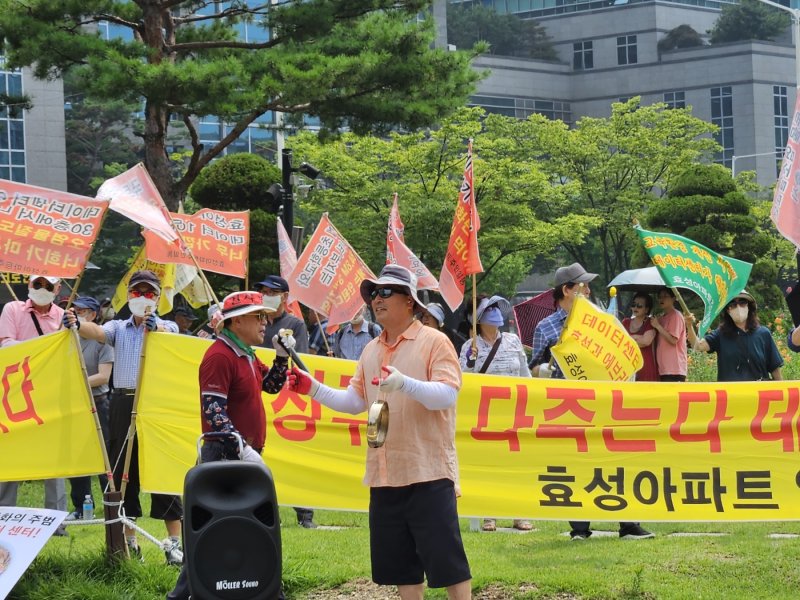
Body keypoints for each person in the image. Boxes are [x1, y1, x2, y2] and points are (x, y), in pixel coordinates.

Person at [288, 265, 472, 600]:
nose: (377, 299)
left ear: (410, 301)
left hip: (427, 471)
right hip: (385, 473)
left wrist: (404, 383)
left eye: (386, 292)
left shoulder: (434, 341)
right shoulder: (370, 349)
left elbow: (447, 394)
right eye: (374, 293)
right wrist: (312, 388)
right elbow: (355, 401)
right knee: (402, 567)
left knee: (448, 564)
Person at [166, 291, 291, 600]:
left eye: (265, 317)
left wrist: (281, 357)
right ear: (236, 321)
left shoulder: (246, 353)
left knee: (243, 528)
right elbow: (213, 410)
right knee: (213, 530)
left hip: (241, 456)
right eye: (258, 317)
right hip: (224, 457)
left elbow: (271, 386)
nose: (266, 323)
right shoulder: (220, 355)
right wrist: (241, 447)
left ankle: (262, 588)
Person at [63, 270, 184, 562]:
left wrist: (157, 330)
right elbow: (99, 333)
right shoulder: (119, 326)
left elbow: (174, 338)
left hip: (154, 405)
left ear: (157, 298)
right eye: (137, 292)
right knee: (122, 471)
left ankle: (174, 544)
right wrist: (78, 323)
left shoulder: (167, 326)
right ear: (129, 296)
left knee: (160, 470)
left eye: (149, 293)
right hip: (122, 402)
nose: (142, 298)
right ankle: (131, 542)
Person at [529, 263, 654, 541]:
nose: (587, 290)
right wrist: (544, 371)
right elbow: (533, 369)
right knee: (574, 465)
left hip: (602, 402)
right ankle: (580, 527)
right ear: (567, 290)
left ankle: (629, 523)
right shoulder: (545, 327)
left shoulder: (597, 321)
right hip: (568, 407)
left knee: (614, 460)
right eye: (582, 285)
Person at [0, 275, 69, 535]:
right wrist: (45, 349)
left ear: (58, 289)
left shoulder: (64, 315)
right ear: (29, 286)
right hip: (15, 393)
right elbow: (7, 346)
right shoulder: (12, 309)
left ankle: (57, 521)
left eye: (48, 286)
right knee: (11, 453)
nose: (42, 289)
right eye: (37, 284)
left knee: (55, 459)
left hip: (51, 394)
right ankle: (3, 516)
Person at [460, 295, 531, 532]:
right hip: (485, 416)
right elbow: (462, 380)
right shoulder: (469, 346)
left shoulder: (512, 341)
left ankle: (518, 513)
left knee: (515, 465)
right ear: (477, 319)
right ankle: (489, 514)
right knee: (489, 464)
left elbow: (525, 377)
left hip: (513, 413)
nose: (495, 313)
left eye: (495, 308)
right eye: (488, 309)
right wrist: (469, 363)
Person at [255, 274, 315, 528]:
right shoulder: (256, 320)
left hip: (287, 399)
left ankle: (305, 514)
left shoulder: (295, 324)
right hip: (261, 392)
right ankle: (267, 511)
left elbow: (297, 358)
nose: (267, 295)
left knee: (293, 454)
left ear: (284, 297)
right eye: (263, 291)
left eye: (272, 292)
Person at [65, 296, 114, 521]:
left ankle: (111, 505)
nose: (77, 314)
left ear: (93, 315)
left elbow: (104, 376)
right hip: (74, 403)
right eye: (75, 310)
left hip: (99, 402)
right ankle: (81, 506)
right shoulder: (66, 337)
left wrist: (77, 381)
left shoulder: (103, 339)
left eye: (82, 311)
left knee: (104, 457)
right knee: (76, 457)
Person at [688, 291, 783, 381]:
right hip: (730, 395)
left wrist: (782, 392)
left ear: (749, 306)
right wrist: (689, 325)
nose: (738, 307)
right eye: (732, 304)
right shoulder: (720, 334)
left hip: (759, 394)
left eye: (742, 302)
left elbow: (775, 368)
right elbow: (697, 346)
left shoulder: (763, 334)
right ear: (728, 310)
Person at [650, 287, 688, 382]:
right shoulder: (662, 318)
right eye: (660, 297)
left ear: (673, 298)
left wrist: (658, 326)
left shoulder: (676, 316)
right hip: (663, 368)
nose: (661, 299)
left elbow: (673, 340)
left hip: (675, 369)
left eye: (665, 296)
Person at [622, 292, 659, 382]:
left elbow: (646, 342)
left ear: (646, 309)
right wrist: (638, 338)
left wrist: (628, 338)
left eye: (639, 306)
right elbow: (620, 341)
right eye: (633, 305)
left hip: (646, 367)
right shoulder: (625, 322)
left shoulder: (650, 322)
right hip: (628, 367)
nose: (635, 308)